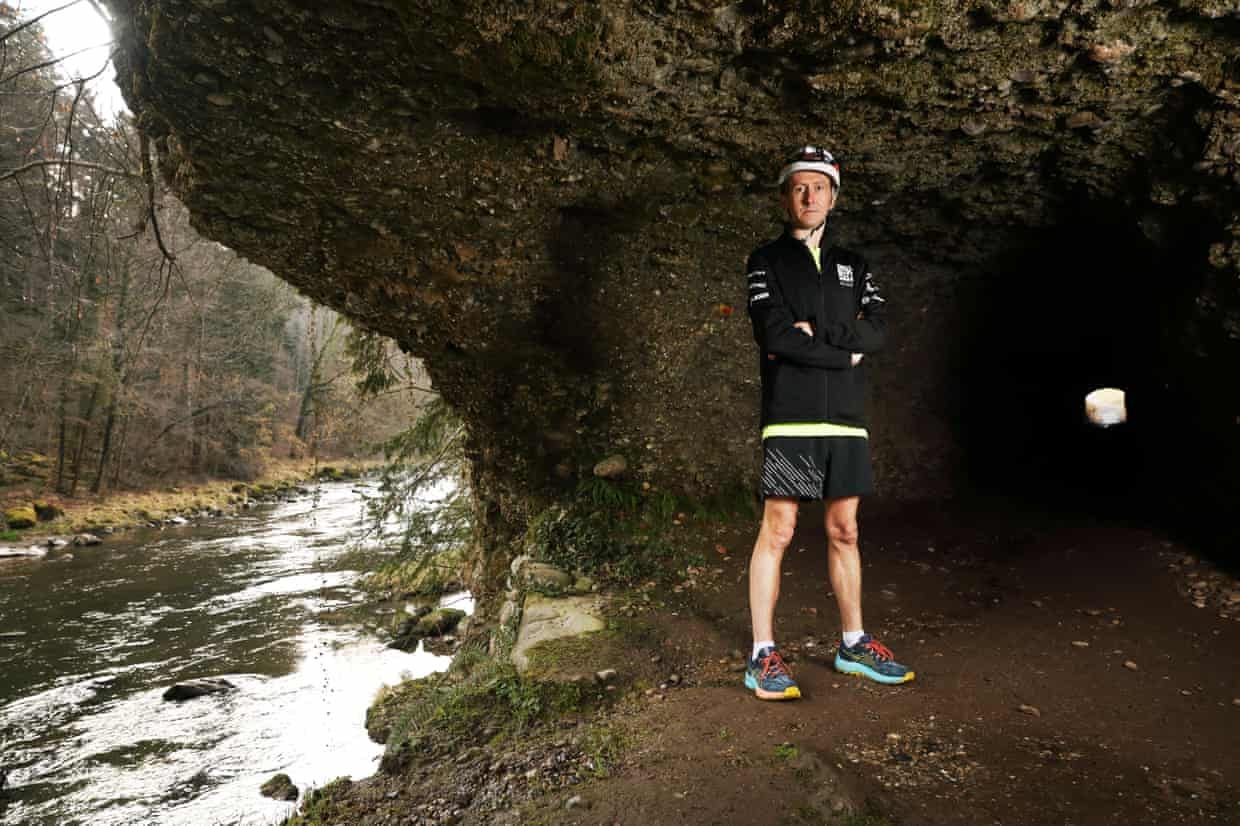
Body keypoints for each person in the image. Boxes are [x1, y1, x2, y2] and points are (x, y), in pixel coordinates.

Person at [742, 145, 914, 700]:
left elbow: (879, 332)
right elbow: (775, 336)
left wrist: (819, 340)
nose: (810, 195)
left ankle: (853, 643)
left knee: (845, 530)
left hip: (845, 420)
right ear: (786, 197)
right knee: (781, 529)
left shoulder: (853, 265)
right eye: (799, 187)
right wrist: (845, 351)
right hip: (791, 419)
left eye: (820, 187)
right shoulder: (765, 261)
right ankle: (762, 654)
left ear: (833, 197)